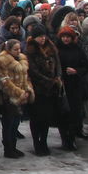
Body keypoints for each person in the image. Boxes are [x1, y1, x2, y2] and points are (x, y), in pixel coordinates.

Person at [25, 24, 63, 156]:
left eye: (43, 36)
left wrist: (57, 77)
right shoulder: (30, 50)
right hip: (38, 89)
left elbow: (58, 63)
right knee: (36, 118)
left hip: (51, 89)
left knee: (46, 118)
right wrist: (47, 80)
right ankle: (37, 142)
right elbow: (33, 70)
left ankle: (44, 141)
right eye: (39, 36)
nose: (42, 39)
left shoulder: (51, 48)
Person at [0, 39, 34, 158]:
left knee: (16, 122)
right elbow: (4, 80)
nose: (18, 51)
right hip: (9, 97)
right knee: (9, 123)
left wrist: (27, 90)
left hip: (21, 95)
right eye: (15, 49)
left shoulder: (22, 59)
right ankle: (8, 148)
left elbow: (26, 77)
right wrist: (18, 92)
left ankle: (13, 146)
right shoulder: (2, 61)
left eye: (19, 49)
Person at [55, 26, 88, 150]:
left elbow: (85, 66)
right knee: (63, 113)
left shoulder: (78, 49)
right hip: (62, 85)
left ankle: (72, 137)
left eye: (68, 37)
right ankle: (65, 138)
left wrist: (76, 71)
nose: (65, 39)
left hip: (75, 85)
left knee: (75, 112)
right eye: (63, 37)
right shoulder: (56, 50)